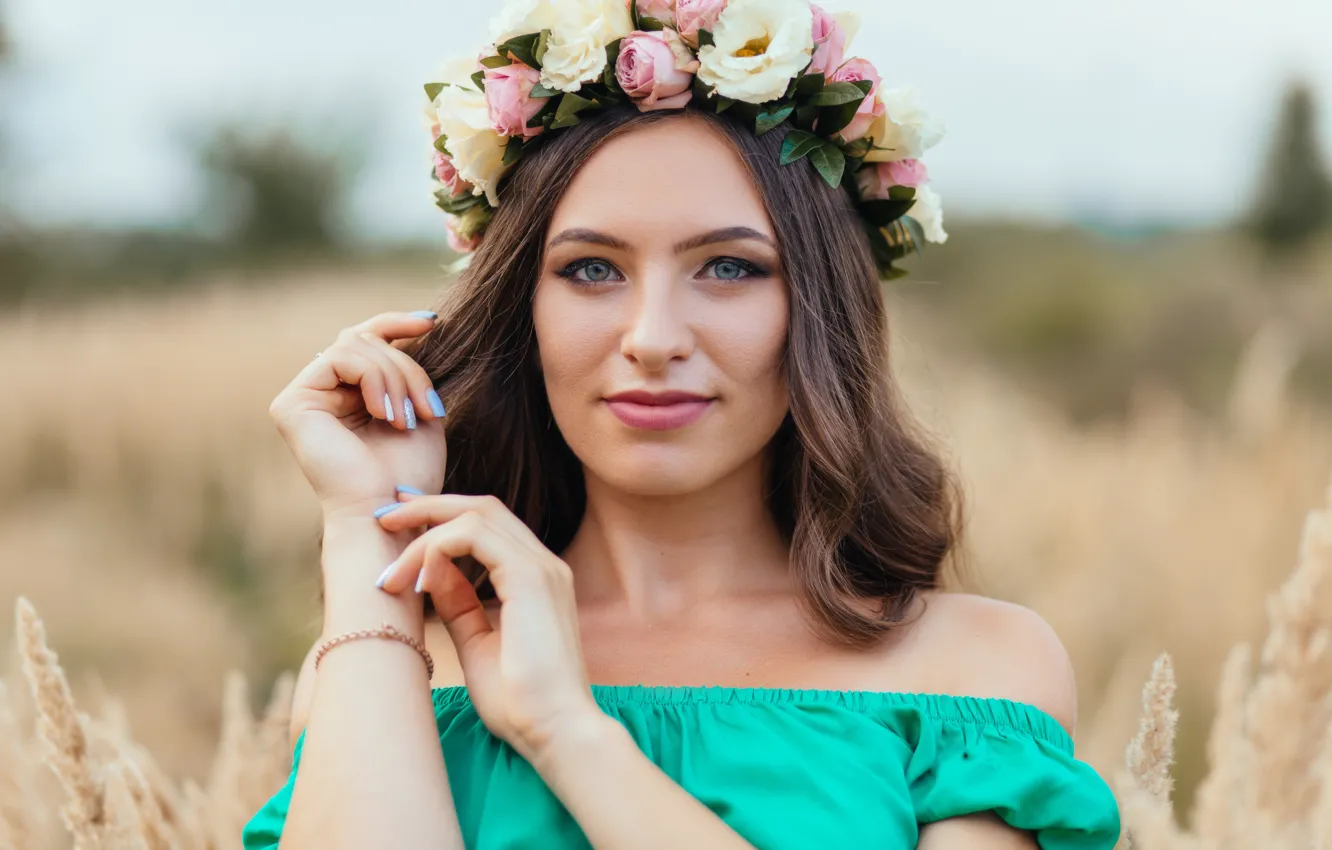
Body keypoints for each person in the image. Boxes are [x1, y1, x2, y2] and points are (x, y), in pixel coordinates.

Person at [244, 2, 1121, 848]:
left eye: (730, 268)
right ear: (525, 312)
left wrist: (567, 733)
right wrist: (368, 527)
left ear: (818, 312)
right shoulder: (387, 666)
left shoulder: (971, 673)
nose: (654, 338)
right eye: (591, 269)